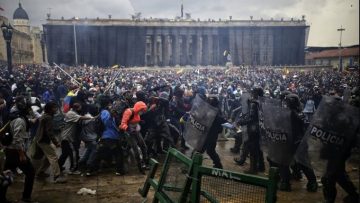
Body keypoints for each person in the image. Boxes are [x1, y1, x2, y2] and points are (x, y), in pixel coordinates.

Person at [0, 96, 36, 203]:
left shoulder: (14, 114)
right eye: (29, 107)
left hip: (9, 150)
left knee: (7, 174)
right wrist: (22, 154)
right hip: (16, 151)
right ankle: (26, 198)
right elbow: (17, 140)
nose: (30, 109)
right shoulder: (20, 120)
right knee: (30, 173)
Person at [35, 101, 67, 183]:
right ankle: (57, 176)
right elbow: (49, 132)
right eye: (54, 108)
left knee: (48, 157)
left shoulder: (45, 115)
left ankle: (40, 172)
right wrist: (56, 142)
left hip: (41, 139)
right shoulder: (48, 117)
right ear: (50, 109)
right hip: (43, 140)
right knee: (53, 157)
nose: (56, 109)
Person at [236, 87, 265, 174]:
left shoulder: (254, 103)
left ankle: (253, 169)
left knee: (252, 148)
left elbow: (251, 118)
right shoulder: (263, 102)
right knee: (258, 148)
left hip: (253, 128)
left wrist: (241, 122)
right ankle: (261, 166)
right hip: (261, 127)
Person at [58, 102, 92, 174]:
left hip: (65, 136)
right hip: (67, 137)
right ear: (77, 108)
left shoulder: (71, 112)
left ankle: (58, 167)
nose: (81, 109)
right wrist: (92, 118)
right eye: (80, 107)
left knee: (65, 153)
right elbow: (82, 118)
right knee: (73, 152)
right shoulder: (72, 114)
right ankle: (73, 169)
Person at [119, 101, 148, 174]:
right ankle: (140, 167)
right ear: (138, 108)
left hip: (136, 131)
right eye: (142, 110)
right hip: (129, 133)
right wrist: (128, 129)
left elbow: (135, 120)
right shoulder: (129, 112)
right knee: (136, 150)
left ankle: (145, 162)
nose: (142, 112)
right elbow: (123, 124)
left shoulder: (137, 113)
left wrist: (140, 122)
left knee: (144, 146)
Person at [201, 96, 227, 169]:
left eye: (211, 101)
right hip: (205, 132)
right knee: (199, 149)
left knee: (210, 150)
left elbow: (221, 119)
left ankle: (218, 165)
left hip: (212, 133)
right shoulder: (207, 109)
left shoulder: (217, 110)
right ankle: (192, 164)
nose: (209, 102)